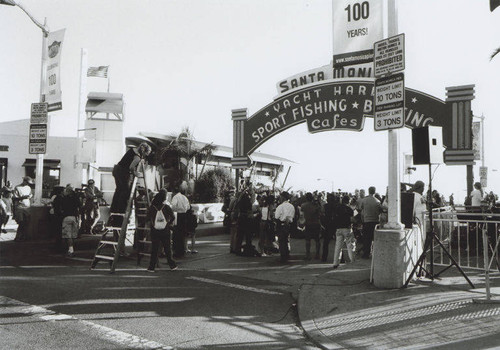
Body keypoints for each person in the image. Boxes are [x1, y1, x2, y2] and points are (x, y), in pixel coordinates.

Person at [109, 142, 152, 225]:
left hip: (116, 169)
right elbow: (131, 167)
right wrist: (135, 173)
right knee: (125, 192)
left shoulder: (133, 150)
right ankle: (121, 212)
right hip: (122, 172)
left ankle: (114, 209)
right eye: (146, 154)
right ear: (144, 152)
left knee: (118, 190)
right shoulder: (137, 157)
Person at [147, 189, 177, 272]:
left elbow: (147, 218)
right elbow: (173, 217)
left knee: (155, 249)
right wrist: (168, 223)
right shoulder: (166, 207)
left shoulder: (152, 207)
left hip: (154, 230)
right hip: (165, 230)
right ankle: (172, 265)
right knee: (167, 248)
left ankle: (151, 267)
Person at [333, 196, 355, 268]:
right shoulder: (349, 209)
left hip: (338, 228)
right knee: (350, 245)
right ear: (348, 201)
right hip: (347, 228)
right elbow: (352, 220)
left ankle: (335, 262)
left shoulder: (336, 208)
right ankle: (352, 261)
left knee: (338, 246)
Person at [359, 186, 381, 259]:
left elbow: (360, 209)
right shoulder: (377, 201)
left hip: (366, 222)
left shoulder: (364, 200)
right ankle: (375, 254)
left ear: (368, 191)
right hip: (375, 222)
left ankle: (366, 254)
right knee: (375, 239)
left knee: (366, 239)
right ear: (374, 192)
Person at [300, 192, 322, 260]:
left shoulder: (303, 205)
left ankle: (308, 255)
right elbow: (320, 213)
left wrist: (301, 224)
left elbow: (302, 215)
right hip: (316, 223)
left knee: (307, 240)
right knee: (317, 240)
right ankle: (317, 254)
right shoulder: (316, 205)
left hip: (308, 223)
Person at [274, 191, 295, 263]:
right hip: (289, 225)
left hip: (282, 224)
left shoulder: (280, 206)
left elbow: (276, 216)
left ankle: (283, 257)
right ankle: (287, 255)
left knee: (282, 241)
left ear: (283, 197)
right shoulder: (292, 206)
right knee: (287, 240)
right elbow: (293, 216)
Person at [61, 185, 81, 257]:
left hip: (67, 217)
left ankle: (70, 250)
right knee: (73, 235)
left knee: (68, 235)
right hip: (75, 217)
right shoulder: (76, 198)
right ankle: (71, 248)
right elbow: (80, 207)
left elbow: (62, 208)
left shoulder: (64, 199)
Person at [171, 187, 190, 258]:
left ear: (174, 191)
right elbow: (188, 207)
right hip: (184, 216)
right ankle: (182, 250)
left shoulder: (175, 197)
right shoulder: (184, 197)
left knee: (177, 234)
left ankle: (177, 251)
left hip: (178, 215)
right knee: (182, 233)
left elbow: (173, 206)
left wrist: (178, 208)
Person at [13, 176, 33, 241]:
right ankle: (18, 237)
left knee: (26, 222)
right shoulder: (17, 187)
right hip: (19, 207)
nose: (27, 184)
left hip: (27, 206)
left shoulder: (28, 188)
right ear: (24, 181)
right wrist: (22, 197)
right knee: (21, 222)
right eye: (27, 182)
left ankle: (24, 236)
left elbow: (31, 195)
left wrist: (30, 196)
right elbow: (14, 198)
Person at [321, 193, 338, 262]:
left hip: (327, 225)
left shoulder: (325, 206)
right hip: (335, 225)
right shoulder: (337, 206)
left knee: (326, 243)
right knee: (338, 242)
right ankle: (340, 258)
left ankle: (324, 258)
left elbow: (322, 214)